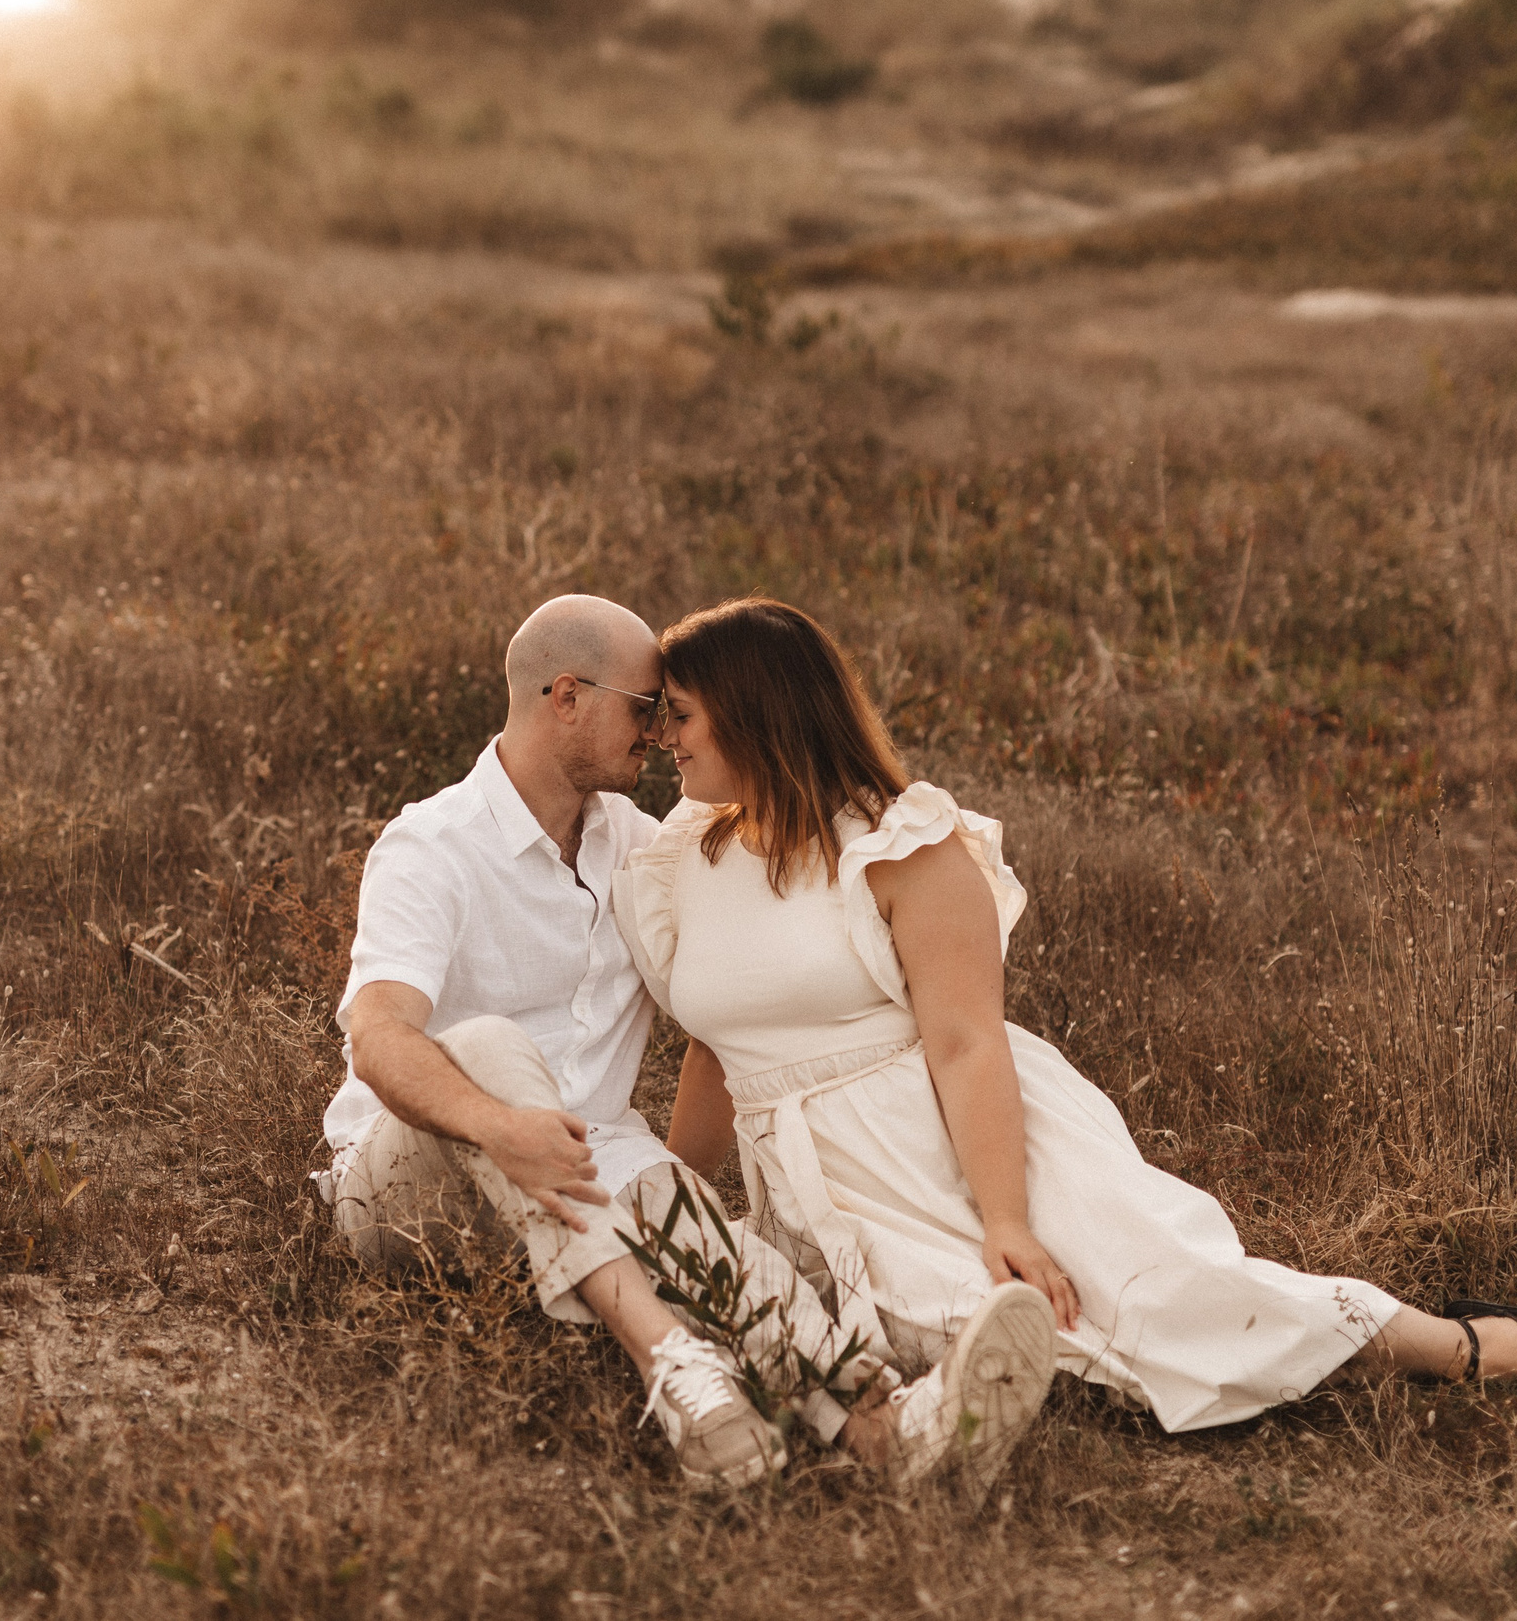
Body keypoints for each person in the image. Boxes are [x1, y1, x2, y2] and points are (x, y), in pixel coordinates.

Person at [610, 597, 1517, 1445]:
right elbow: (717, 1044)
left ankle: (1456, 1346)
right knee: (956, 1339)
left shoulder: (902, 847)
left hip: (949, 1139)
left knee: (1157, 1307)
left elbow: (966, 1041)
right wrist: (681, 1198)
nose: (661, 740)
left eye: (682, 717)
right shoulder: (682, 859)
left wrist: (1005, 1220)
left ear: (756, 714)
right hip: (808, 1173)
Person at [318, 594, 1055, 1495]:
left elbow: (747, 978)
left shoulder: (645, 849)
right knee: (487, 1044)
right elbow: (378, 1035)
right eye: (645, 707)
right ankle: (676, 1369)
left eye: (671, 713)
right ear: (565, 696)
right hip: (410, 1187)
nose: (660, 732)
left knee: (738, 1255)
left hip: (589, 1162)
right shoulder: (430, 846)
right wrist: (497, 1127)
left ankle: (889, 1430)